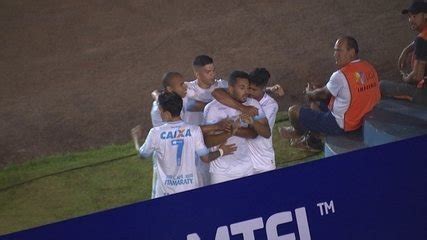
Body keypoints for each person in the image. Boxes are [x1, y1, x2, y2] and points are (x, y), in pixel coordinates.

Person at [131, 92, 236, 198]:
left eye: (160, 110)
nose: (159, 113)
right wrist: (222, 151)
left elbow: (142, 154)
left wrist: (136, 139)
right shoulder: (195, 131)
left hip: (165, 193)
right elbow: (206, 158)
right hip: (190, 191)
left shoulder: (155, 133)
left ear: (167, 113)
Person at [280, 36, 380, 146]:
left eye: (338, 51)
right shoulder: (368, 67)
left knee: (293, 111)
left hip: (342, 125)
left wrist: (309, 93)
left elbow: (318, 95)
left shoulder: (341, 76)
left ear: (351, 52)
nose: (335, 54)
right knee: (317, 100)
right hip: (361, 120)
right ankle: (313, 136)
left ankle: (300, 133)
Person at [203, 70, 271, 184]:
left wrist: (252, 122)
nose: (246, 92)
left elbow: (263, 133)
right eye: (242, 88)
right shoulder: (212, 108)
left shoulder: (253, 104)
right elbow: (207, 142)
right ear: (230, 88)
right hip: (221, 173)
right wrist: (229, 131)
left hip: (246, 168)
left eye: (248, 88)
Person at [380, 1, 427, 105]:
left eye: (414, 16)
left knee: (381, 85)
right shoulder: (422, 38)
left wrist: (406, 78)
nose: (410, 20)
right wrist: (406, 50)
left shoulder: (421, 40)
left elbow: (417, 77)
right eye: (409, 17)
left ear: (425, 15)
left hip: (424, 95)